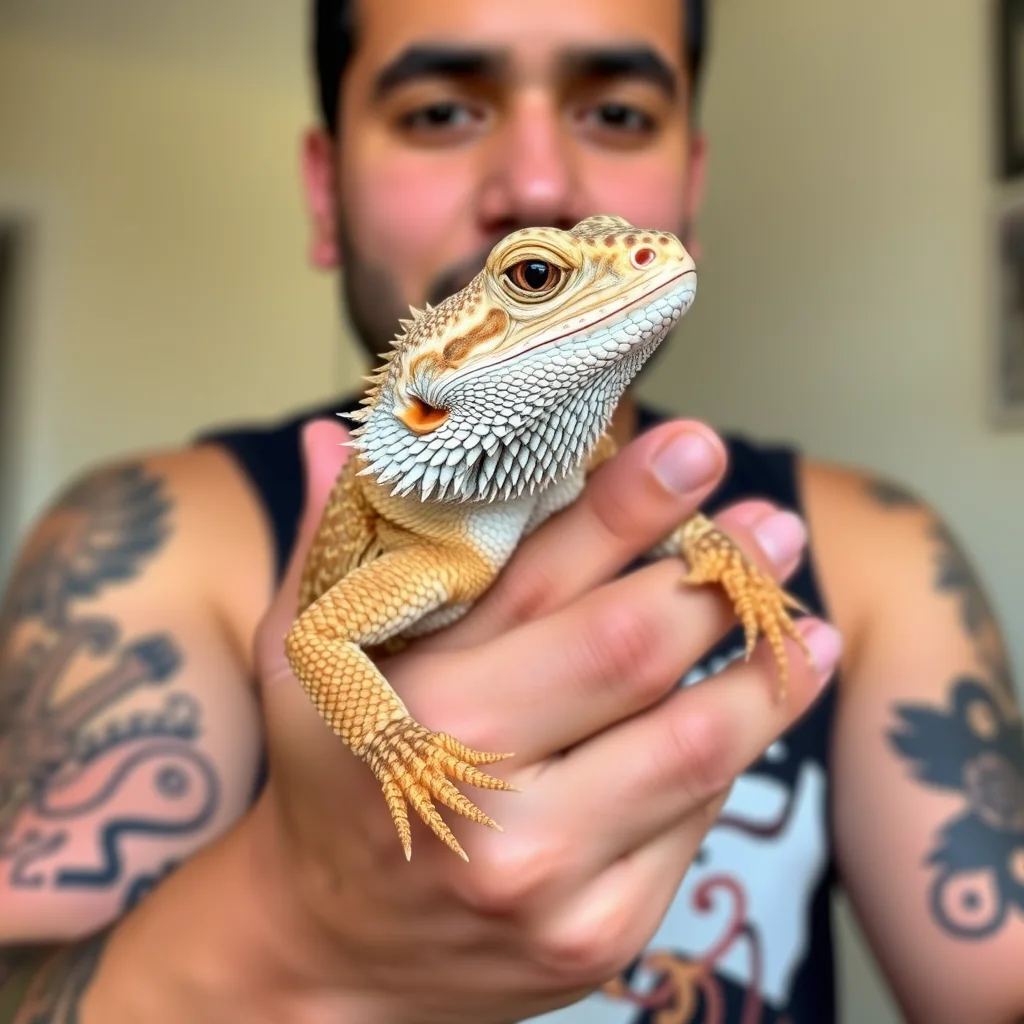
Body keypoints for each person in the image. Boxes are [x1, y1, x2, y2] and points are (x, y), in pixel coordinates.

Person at [1, 0, 1022, 1021]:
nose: (541, 185)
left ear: (690, 190)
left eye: (617, 114)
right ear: (323, 189)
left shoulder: (879, 554)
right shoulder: (151, 546)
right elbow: (321, 640)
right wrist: (289, 927)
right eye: (441, 111)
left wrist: (723, 554)